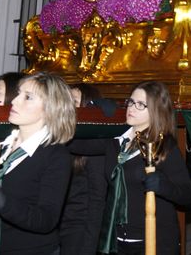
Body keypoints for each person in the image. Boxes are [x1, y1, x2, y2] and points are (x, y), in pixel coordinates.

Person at [70, 81, 191, 254]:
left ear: (156, 110)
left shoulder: (164, 147)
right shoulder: (116, 141)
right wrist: (92, 107)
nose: (131, 108)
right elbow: (74, 145)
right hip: (117, 241)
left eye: (141, 104)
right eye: (130, 101)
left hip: (153, 241)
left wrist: (164, 186)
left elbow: (187, 195)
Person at [0, 72, 76, 254]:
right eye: (18, 94)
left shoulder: (56, 156)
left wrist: (3, 204)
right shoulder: (3, 144)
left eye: (28, 97)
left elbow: (46, 220)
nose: (15, 101)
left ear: (50, 109)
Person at [60, 83, 108, 254]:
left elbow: (97, 200)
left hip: (79, 227)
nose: (67, 106)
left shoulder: (95, 146)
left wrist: (89, 246)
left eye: (74, 101)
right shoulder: (64, 138)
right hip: (59, 222)